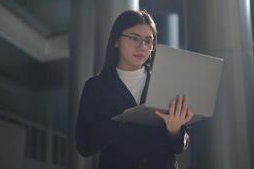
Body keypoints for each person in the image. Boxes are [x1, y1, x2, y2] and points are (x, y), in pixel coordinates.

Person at [76, 9, 194, 169]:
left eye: (148, 41)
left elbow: (179, 147)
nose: (143, 47)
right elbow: (84, 146)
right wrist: (120, 125)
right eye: (134, 38)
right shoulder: (96, 87)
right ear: (116, 41)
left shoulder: (166, 83)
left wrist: (174, 130)